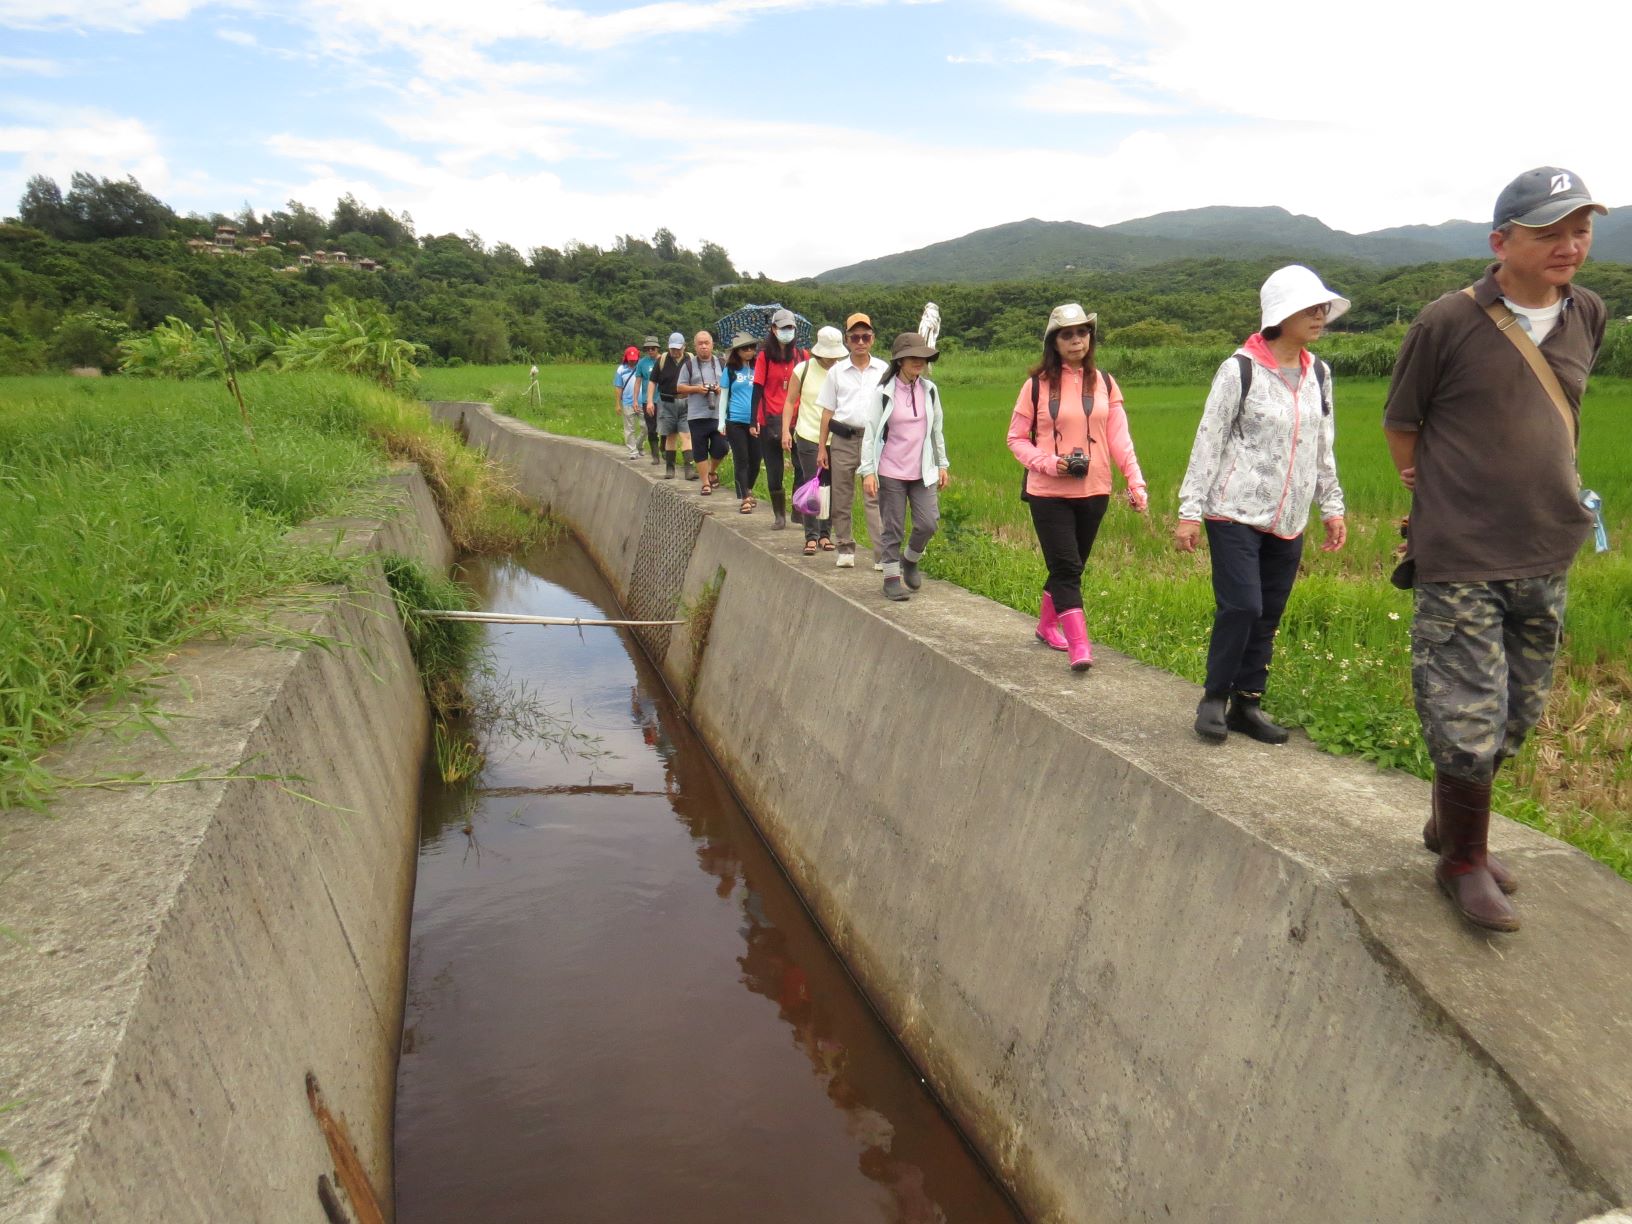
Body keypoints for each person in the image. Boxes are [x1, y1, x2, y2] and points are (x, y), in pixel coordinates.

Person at [1382, 167, 1608, 934]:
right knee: (1467, 711)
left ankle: (1452, 825)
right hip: (1463, 551)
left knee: (1518, 709)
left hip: (1548, 543)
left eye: (1580, 229)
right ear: (1500, 241)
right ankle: (1463, 863)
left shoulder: (1590, 315)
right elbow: (1402, 423)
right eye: (1550, 231)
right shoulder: (1446, 322)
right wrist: (1434, 494)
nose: (1569, 245)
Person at [1175, 266, 1347, 741]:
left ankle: (1247, 705)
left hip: (1289, 515)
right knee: (1243, 607)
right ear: (1282, 312)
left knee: (1269, 611)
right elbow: (1208, 440)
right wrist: (1190, 511)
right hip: (1233, 510)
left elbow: (1321, 445)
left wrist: (1331, 506)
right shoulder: (1240, 369)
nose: (1320, 315)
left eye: (1323, 308)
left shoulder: (1321, 374)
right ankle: (1214, 697)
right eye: (1310, 307)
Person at [1006, 303, 1149, 670]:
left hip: (1095, 490)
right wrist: (1051, 464)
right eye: (1067, 334)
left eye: (1082, 333)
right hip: (1048, 492)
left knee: (1071, 567)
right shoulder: (1034, 387)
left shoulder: (1105, 383)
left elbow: (1119, 438)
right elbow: (1016, 439)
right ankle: (1079, 646)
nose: (1076, 340)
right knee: (1067, 567)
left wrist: (1135, 481)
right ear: (1053, 342)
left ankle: (1044, 626)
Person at [859, 333, 949, 602]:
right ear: (899, 361)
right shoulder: (883, 393)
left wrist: (942, 464)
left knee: (928, 522)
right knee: (893, 527)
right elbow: (871, 432)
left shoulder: (930, 390)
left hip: (923, 470)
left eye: (922, 357)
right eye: (912, 357)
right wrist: (868, 471)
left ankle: (910, 559)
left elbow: (937, 431)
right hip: (891, 470)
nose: (918, 362)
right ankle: (890, 579)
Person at [816, 312, 888, 569]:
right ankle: (845, 547)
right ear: (847, 340)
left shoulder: (883, 370)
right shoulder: (836, 372)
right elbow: (827, 411)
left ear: (873, 339)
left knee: (875, 496)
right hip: (843, 439)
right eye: (855, 337)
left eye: (865, 336)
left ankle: (881, 554)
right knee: (842, 494)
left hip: (874, 440)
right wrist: (822, 447)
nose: (860, 341)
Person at [786, 326, 844, 555]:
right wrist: (785, 431)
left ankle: (825, 534)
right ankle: (810, 536)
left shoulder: (841, 371)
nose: (831, 359)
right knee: (812, 483)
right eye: (828, 355)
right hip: (808, 435)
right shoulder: (803, 369)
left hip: (834, 437)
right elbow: (790, 401)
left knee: (828, 486)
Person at [752, 308, 807, 531]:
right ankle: (779, 515)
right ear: (773, 329)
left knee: (801, 467)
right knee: (774, 470)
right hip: (769, 419)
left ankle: (797, 509)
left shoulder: (803, 356)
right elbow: (757, 388)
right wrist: (752, 420)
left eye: (790, 327)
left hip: (798, 419)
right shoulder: (764, 356)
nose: (787, 331)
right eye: (783, 327)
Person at [678, 330, 729, 495]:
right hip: (696, 415)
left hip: (718, 415)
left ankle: (712, 470)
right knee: (699, 449)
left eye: (706, 343)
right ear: (695, 346)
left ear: (712, 344)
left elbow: (730, 386)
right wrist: (697, 389)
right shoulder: (689, 365)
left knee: (722, 447)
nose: (704, 347)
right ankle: (705, 482)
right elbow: (679, 388)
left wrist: (720, 389)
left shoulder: (722, 363)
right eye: (700, 344)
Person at [720, 332, 762, 514]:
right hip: (735, 420)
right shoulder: (730, 370)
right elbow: (724, 397)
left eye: (752, 347)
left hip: (756, 422)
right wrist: (721, 421)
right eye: (745, 348)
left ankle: (749, 488)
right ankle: (744, 496)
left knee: (756, 459)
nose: (750, 351)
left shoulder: (759, 367)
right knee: (741, 459)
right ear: (737, 351)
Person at [650, 332, 696, 480]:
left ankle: (689, 468)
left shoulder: (690, 359)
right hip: (666, 402)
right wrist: (650, 401)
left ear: (684, 346)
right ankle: (670, 468)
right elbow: (652, 382)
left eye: (678, 349)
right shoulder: (662, 360)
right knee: (670, 436)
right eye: (672, 349)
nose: (675, 352)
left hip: (686, 402)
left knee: (686, 435)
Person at [635, 336, 662, 464]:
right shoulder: (642, 363)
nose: (651, 351)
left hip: (663, 400)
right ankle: (655, 455)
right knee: (651, 428)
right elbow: (638, 382)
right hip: (648, 400)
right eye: (648, 349)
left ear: (658, 348)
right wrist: (635, 400)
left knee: (665, 428)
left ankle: (665, 449)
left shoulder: (664, 360)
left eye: (653, 348)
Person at [613, 345, 643, 460]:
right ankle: (632, 451)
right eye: (630, 359)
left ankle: (638, 444)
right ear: (626, 358)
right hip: (627, 403)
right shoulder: (621, 370)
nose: (632, 361)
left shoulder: (641, 367)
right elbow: (618, 387)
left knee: (646, 427)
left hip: (642, 402)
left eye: (634, 359)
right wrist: (617, 404)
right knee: (629, 428)